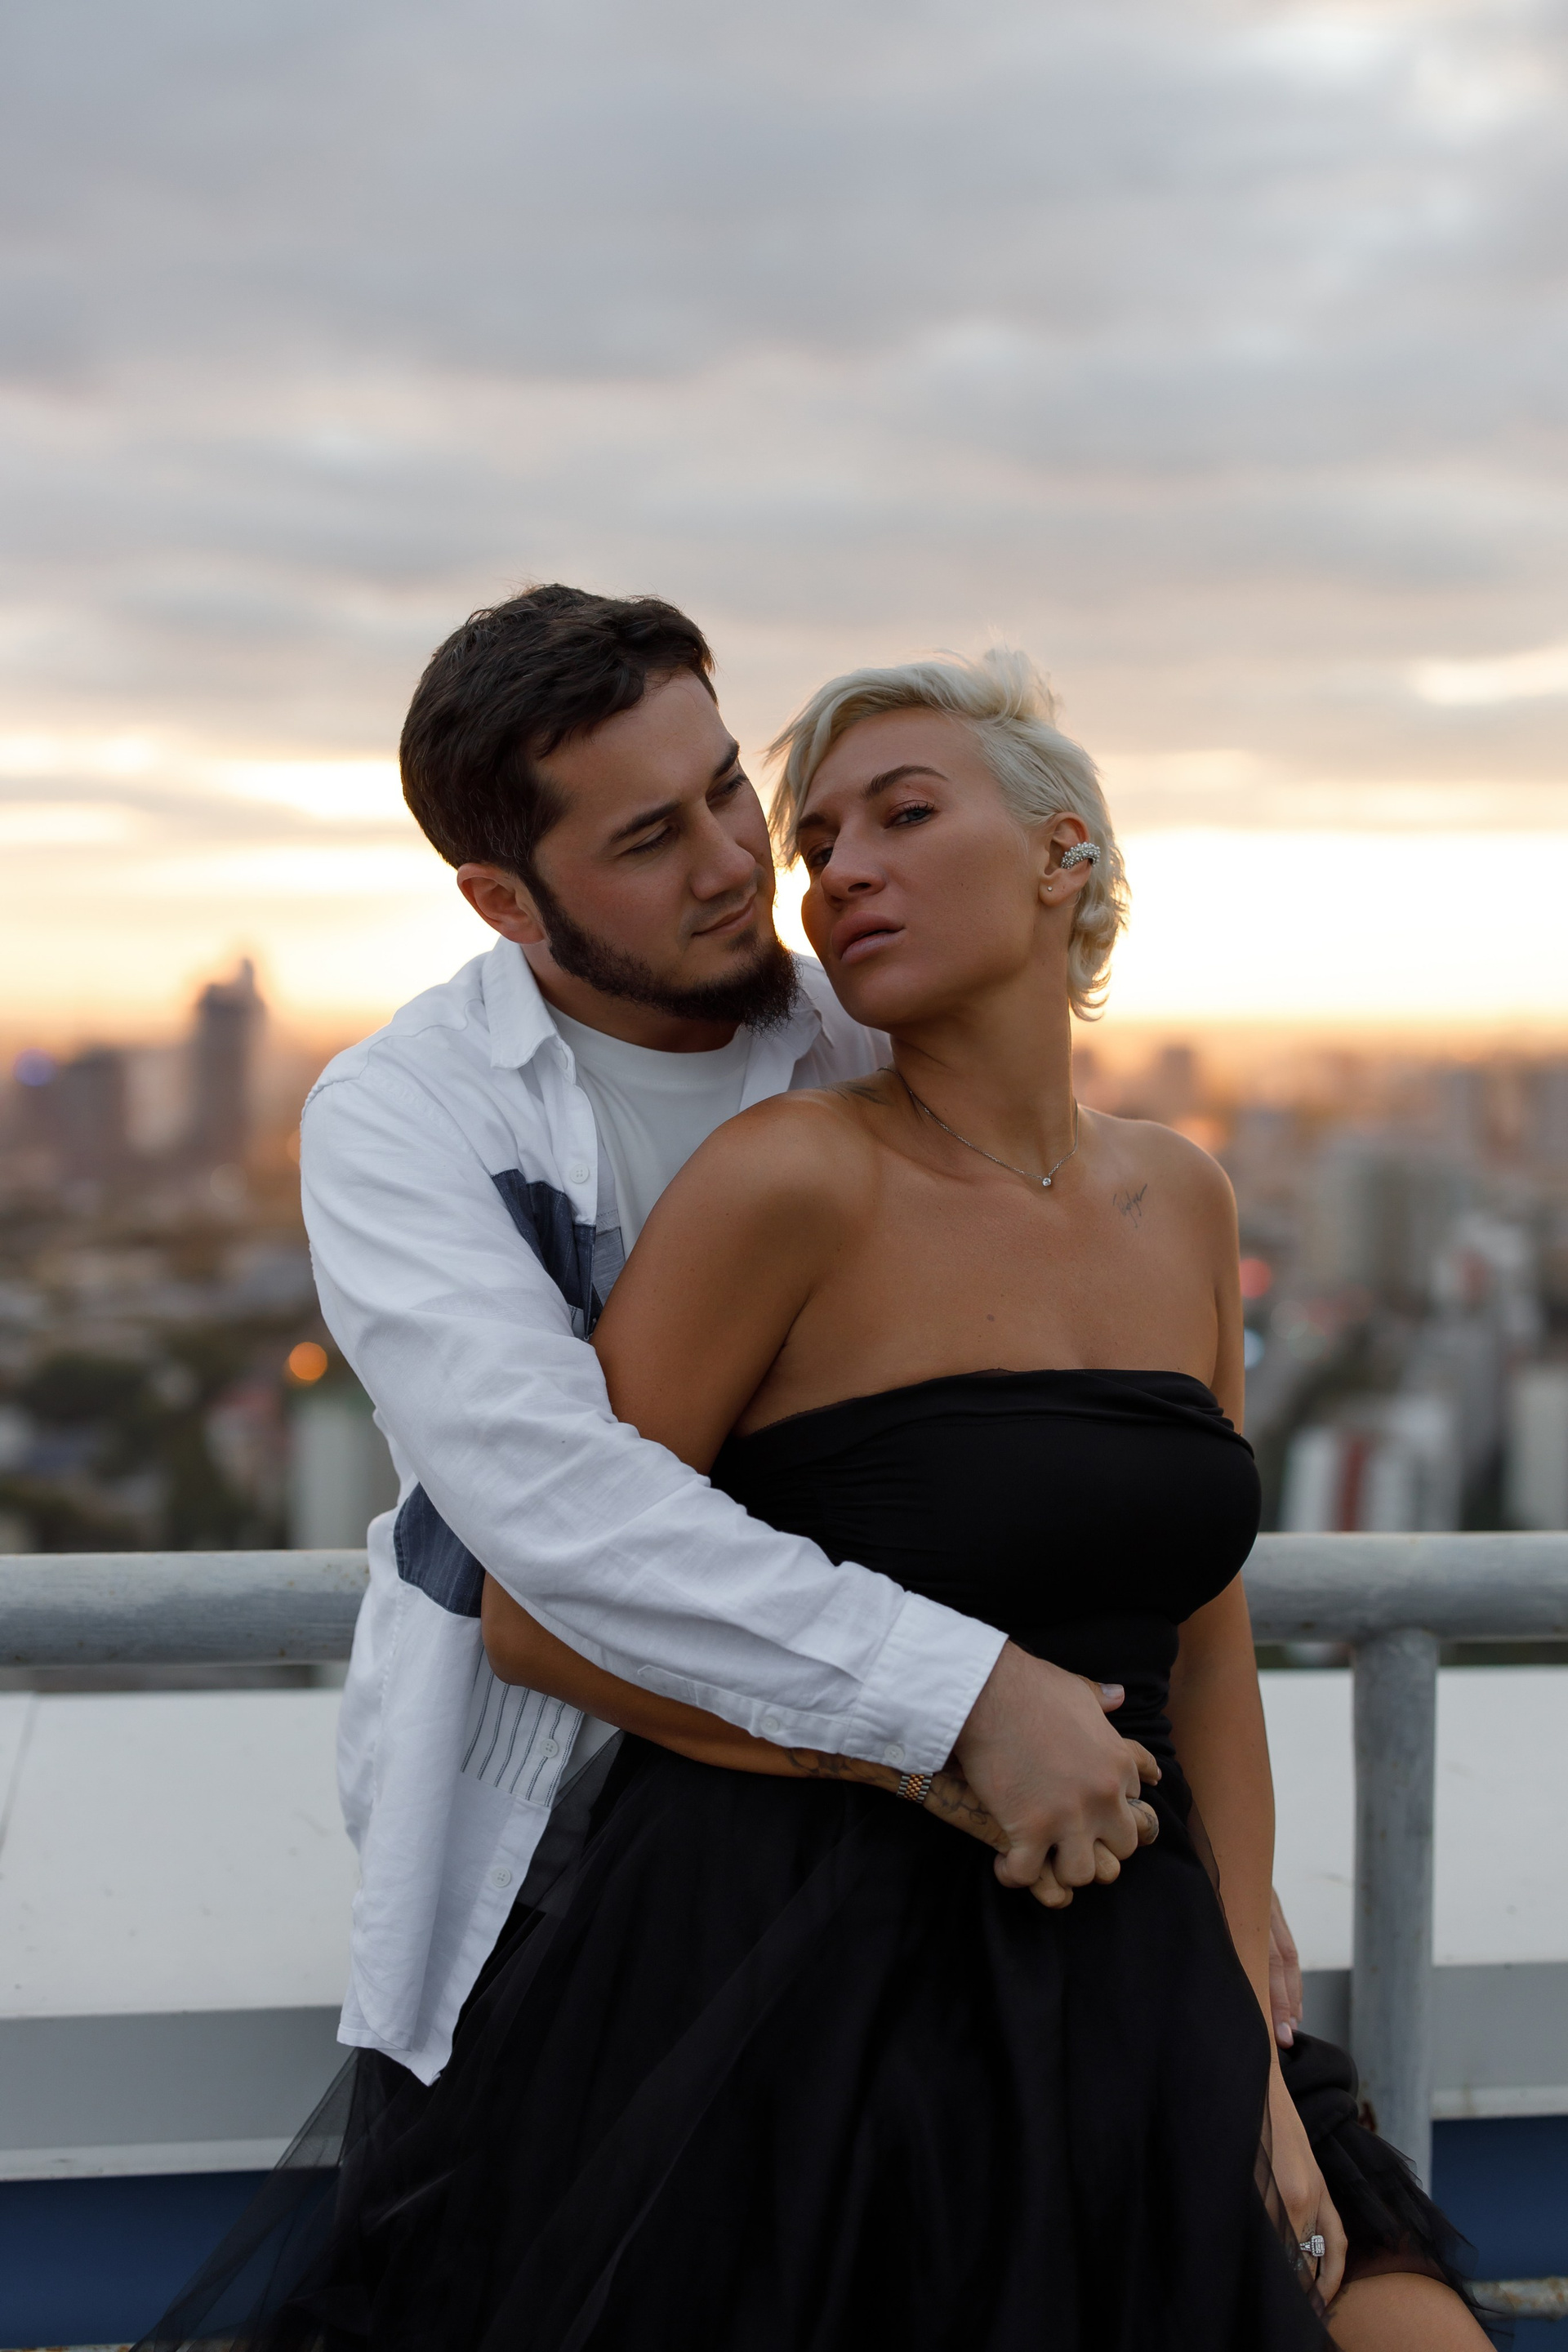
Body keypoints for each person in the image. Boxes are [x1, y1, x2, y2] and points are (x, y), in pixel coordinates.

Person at [136, 598, 1485, 2352]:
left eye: (729, 793)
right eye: (651, 838)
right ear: (505, 902)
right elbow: (560, 1538)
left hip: (1080, 1864)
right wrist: (967, 1714)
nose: (752, 866)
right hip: (642, 1899)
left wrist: (1232, 1960)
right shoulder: (424, 1118)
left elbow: (1190, 1610)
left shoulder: (901, 1049)